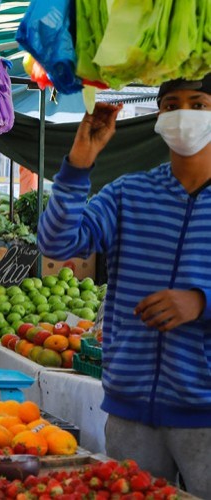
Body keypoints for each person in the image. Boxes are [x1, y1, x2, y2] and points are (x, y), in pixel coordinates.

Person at [38, 75, 211, 498]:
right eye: (171, 105)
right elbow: (57, 242)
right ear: (158, 116)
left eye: (199, 104)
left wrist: (201, 302)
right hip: (130, 409)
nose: (184, 115)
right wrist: (80, 159)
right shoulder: (128, 194)